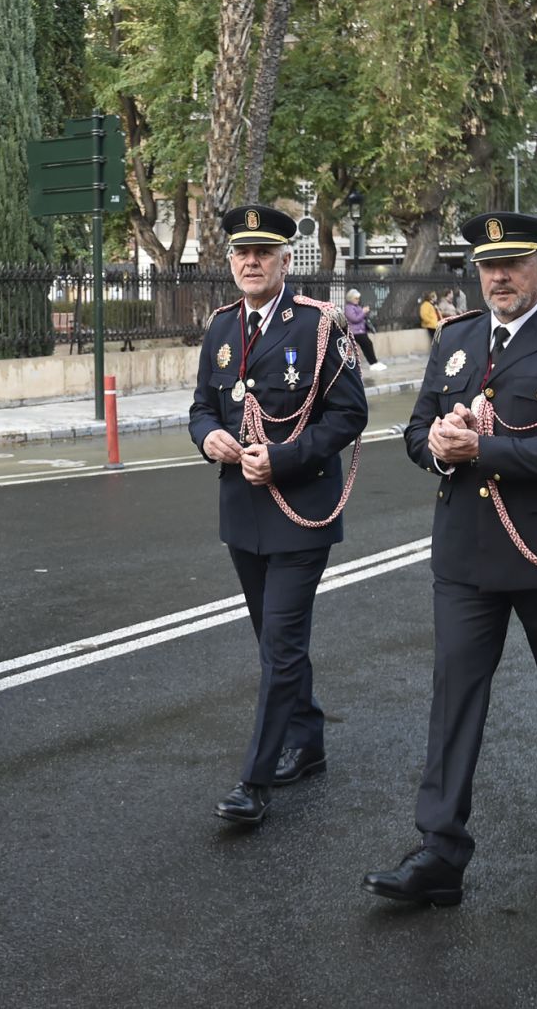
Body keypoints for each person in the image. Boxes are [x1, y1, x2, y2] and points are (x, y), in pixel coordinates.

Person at [361, 211, 537, 908]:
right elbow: (417, 430)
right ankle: (440, 852)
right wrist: (438, 445)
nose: (498, 277)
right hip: (467, 547)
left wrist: (488, 450)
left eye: (513, 264)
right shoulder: (456, 338)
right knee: (454, 696)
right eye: (486, 266)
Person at [190, 205, 370, 827]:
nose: (250, 262)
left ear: (285, 261)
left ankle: (255, 780)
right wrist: (208, 436)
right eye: (241, 253)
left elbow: (349, 416)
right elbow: (200, 408)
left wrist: (287, 457)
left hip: (301, 510)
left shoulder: (320, 326)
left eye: (263, 253)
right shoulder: (219, 328)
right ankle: (308, 737)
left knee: (282, 643)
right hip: (242, 509)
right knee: (274, 640)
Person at [344, 288, 386, 372]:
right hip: (355, 332)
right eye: (356, 298)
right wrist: (363, 312)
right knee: (367, 345)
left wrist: (365, 312)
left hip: (361, 331)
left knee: (367, 346)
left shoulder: (357, 306)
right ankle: (373, 363)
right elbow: (354, 319)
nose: (358, 300)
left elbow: (362, 317)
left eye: (358, 298)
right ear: (350, 298)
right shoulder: (348, 308)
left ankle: (374, 363)